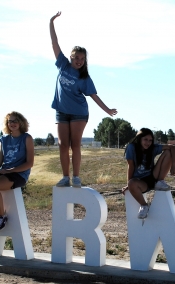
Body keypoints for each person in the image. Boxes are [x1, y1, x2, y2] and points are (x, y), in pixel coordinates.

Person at [50, 11, 118, 188]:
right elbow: (54, 43)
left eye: (82, 58)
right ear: (71, 57)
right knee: (62, 145)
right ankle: (65, 177)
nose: (79, 61)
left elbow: (94, 96)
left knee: (75, 145)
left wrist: (108, 110)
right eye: (76, 57)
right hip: (62, 112)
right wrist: (51, 22)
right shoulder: (63, 65)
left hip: (79, 113)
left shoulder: (84, 77)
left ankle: (77, 177)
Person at [121, 128, 175, 219]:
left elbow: (173, 147)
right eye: (145, 140)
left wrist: (173, 166)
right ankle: (144, 205)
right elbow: (130, 166)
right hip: (140, 182)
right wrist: (128, 184)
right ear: (139, 138)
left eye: (150, 140)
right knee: (132, 183)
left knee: (168, 152)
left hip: (152, 177)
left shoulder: (153, 148)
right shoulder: (132, 147)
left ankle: (160, 181)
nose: (148, 143)